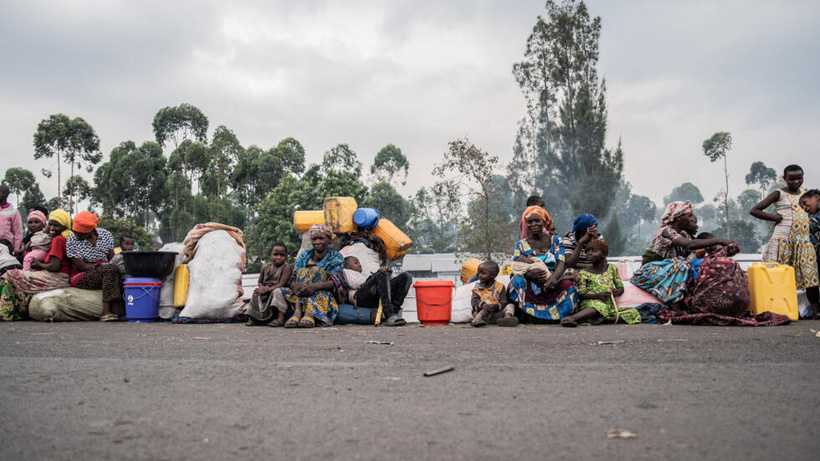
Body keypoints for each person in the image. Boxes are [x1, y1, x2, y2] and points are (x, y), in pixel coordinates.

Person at [631, 201, 732, 310]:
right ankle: (676, 307)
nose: (692, 218)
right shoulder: (666, 231)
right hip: (649, 273)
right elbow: (690, 244)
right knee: (682, 264)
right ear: (678, 217)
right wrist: (719, 240)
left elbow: (695, 249)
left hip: (669, 273)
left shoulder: (684, 234)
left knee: (693, 266)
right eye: (689, 216)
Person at [751, 164, 819, 300]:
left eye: (799, 178)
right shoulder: (778, 194)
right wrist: (775, 218)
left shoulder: (805, 194)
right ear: (785, 179)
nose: (796, 182)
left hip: (803, 243)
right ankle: (779, 306)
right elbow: (754, 210)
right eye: (791, 179)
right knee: (779, 277)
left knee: (811, 278)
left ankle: (814, 310)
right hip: (783, 242)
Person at [508, 205, 578, 321]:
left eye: (537, 220)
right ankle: (528, 314)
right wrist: (529, 274)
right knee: (516, 282)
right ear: (525, 224)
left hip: (553, 282)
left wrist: (554, 279)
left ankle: (558, 315)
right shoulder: (520, 245)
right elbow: (516, 266)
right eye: (529, 222)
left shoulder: (556, 240)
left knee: (569, 286)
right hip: (530, 283)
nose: (533, 224)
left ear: (544, 222)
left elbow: (561, 262)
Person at [0, 210, 72, 321]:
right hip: (58, 275)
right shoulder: (63, 238)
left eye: (57, 225)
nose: (52, 228)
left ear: (64, 226)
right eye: (50, 224)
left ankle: (6, 312)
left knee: (10, 275)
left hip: (57, 276)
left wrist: (39, 264)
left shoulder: (58, 240)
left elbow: (54, 266)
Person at [270, 224, 345, 328]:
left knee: (316, 271)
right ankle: (296, 312)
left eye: (321, 238)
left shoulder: (336, 257)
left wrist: (314, 287)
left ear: (329, 240)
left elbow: (336, 280)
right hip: (300, 293)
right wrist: (294, 286)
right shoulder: (304, 256)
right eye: (314, 239)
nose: (317, 242)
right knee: (278, 291)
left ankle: (309, 314)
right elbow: (294, 275)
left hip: (321, 293)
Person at [561, 239, 639, 327]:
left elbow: (620, 287)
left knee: (633, 313)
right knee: (599, 306)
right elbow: (582, 295)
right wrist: (597, 296)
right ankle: (570, 318)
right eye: (587, 252)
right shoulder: (583, 273)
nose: (589, 254)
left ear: (604, 254)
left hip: (608, 306)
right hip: (589, 304)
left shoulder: (612, 268)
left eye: (594, 251)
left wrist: (617, 292)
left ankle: (597, 319)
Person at [66, 211, 121, 322]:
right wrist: (102, 266)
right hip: (82, 275)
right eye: (75, 232)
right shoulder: (71, 240)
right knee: (109, 269)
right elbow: (81, 266)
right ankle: (106, 312)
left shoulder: (105, 235)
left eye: (81, 233)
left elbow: (111, 258)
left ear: (91, 230)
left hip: (104, 269)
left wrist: (108, 266)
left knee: (118, 270)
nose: (77, 235)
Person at [343, 256, 411, 326]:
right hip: (359, 297)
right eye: (355, 263)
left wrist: (386, 276)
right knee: (381, 273)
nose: (359, 265)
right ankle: (389, 314)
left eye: (359, 263)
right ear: (346, 266)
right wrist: (377, 274)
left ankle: (395, 311)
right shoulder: (346, 271)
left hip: (373, 296)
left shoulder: (361, 274)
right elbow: (354, 284)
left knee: (405, 277)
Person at [245, 242, 292, 326]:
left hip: (279, 290)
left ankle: (280, 318)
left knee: (277, 291)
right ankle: (253, 317)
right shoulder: (265, 267)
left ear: (286, 256)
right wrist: (262, 288)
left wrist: (268, 289)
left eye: (282, 255)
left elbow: (282, 284)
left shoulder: (286, 268)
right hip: (266, 289)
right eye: (275, 254)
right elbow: (260, 282)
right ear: (270, 255)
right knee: (256, 293)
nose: (278, 257)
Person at [470, 260, 517, 327]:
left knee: (510, 305)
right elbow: (474, 301)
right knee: (478, 310)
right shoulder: (477, 288)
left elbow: (504, 301)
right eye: (479, 273)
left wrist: (497, 306)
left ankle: (507, 318)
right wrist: (483, 305)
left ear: (493, 275)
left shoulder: (500, 287)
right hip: (483, 316)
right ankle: (476, 320)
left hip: (497, 314)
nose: (479, 276)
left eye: (483, 273)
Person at [799, 189, 820, 318]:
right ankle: (815, 311)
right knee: (811, 282)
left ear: (816, 197)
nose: (805, 208)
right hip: (814, 255)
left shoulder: (812, 219)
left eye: (806, 203)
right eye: (802, 207)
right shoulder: (809, 217)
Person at [0, 185, 23, 256]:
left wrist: (16, 249)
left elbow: (17, 233)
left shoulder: (13, 212)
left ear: (4, 194)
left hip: (6, 247)